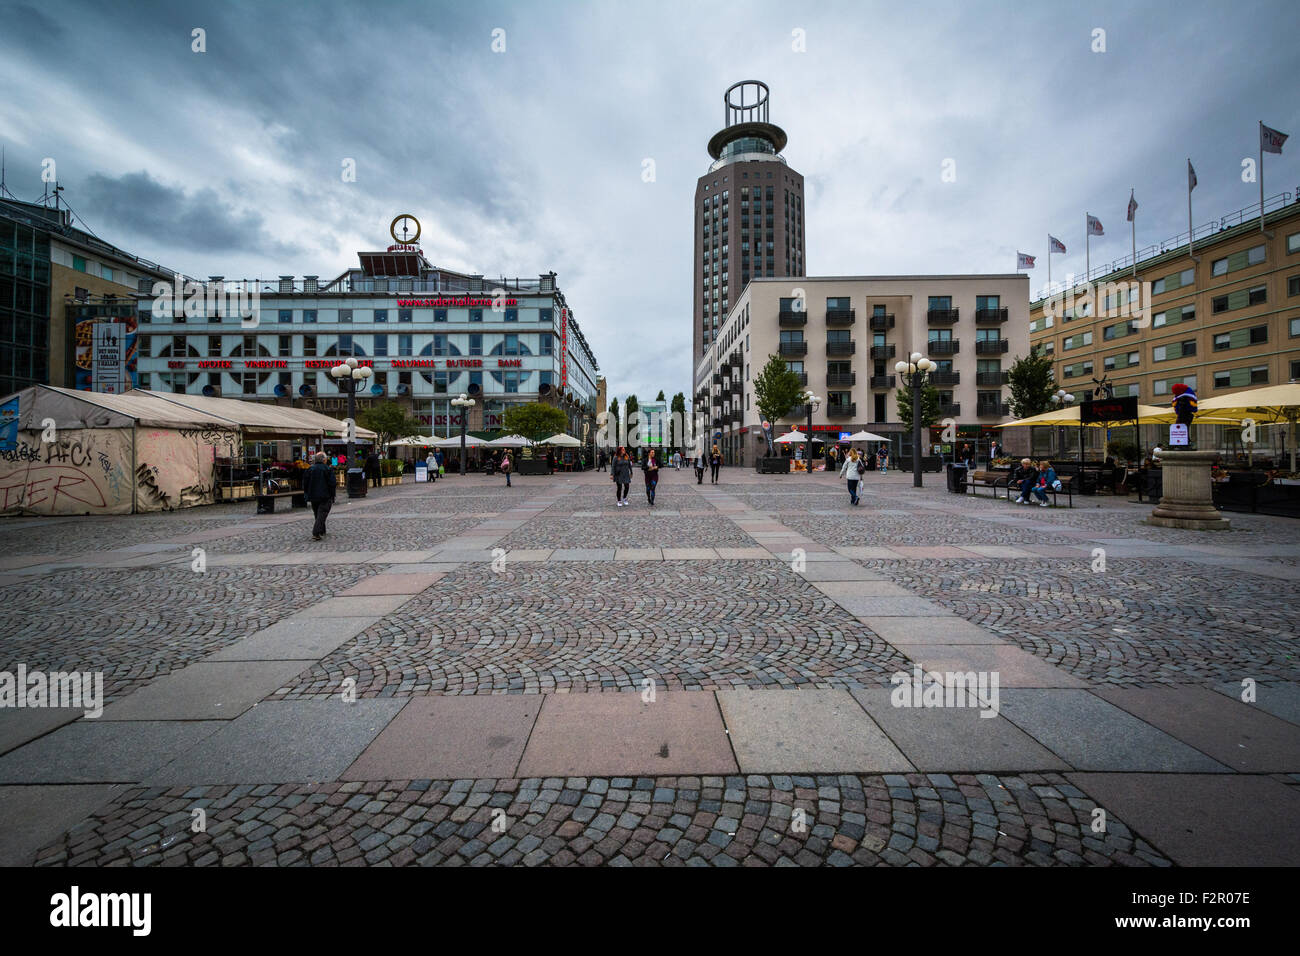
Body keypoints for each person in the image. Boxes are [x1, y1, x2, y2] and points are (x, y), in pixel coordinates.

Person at [303, 451, 336, 540]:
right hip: (325, 495)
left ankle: (322, 530)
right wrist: (333, 495)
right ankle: (316, 532)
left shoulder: (310, 469)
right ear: (324, 460)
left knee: (317, 513)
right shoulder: (327, 469)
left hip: (313, 495)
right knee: (322, 513)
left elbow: (305, 483)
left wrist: (307, 493)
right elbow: (332, 483)